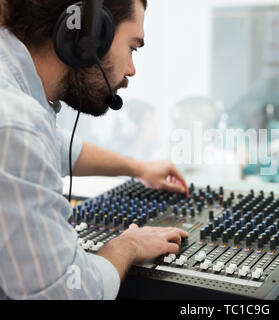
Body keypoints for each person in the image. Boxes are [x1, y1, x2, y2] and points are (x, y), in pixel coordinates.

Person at [0, 0, 190, 300]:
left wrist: (137, 168)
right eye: (133, 47)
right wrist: (127, 245)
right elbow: (67, 295)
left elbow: (56, 144)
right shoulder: (16, 121)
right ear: (87, 35)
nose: (131, 69)